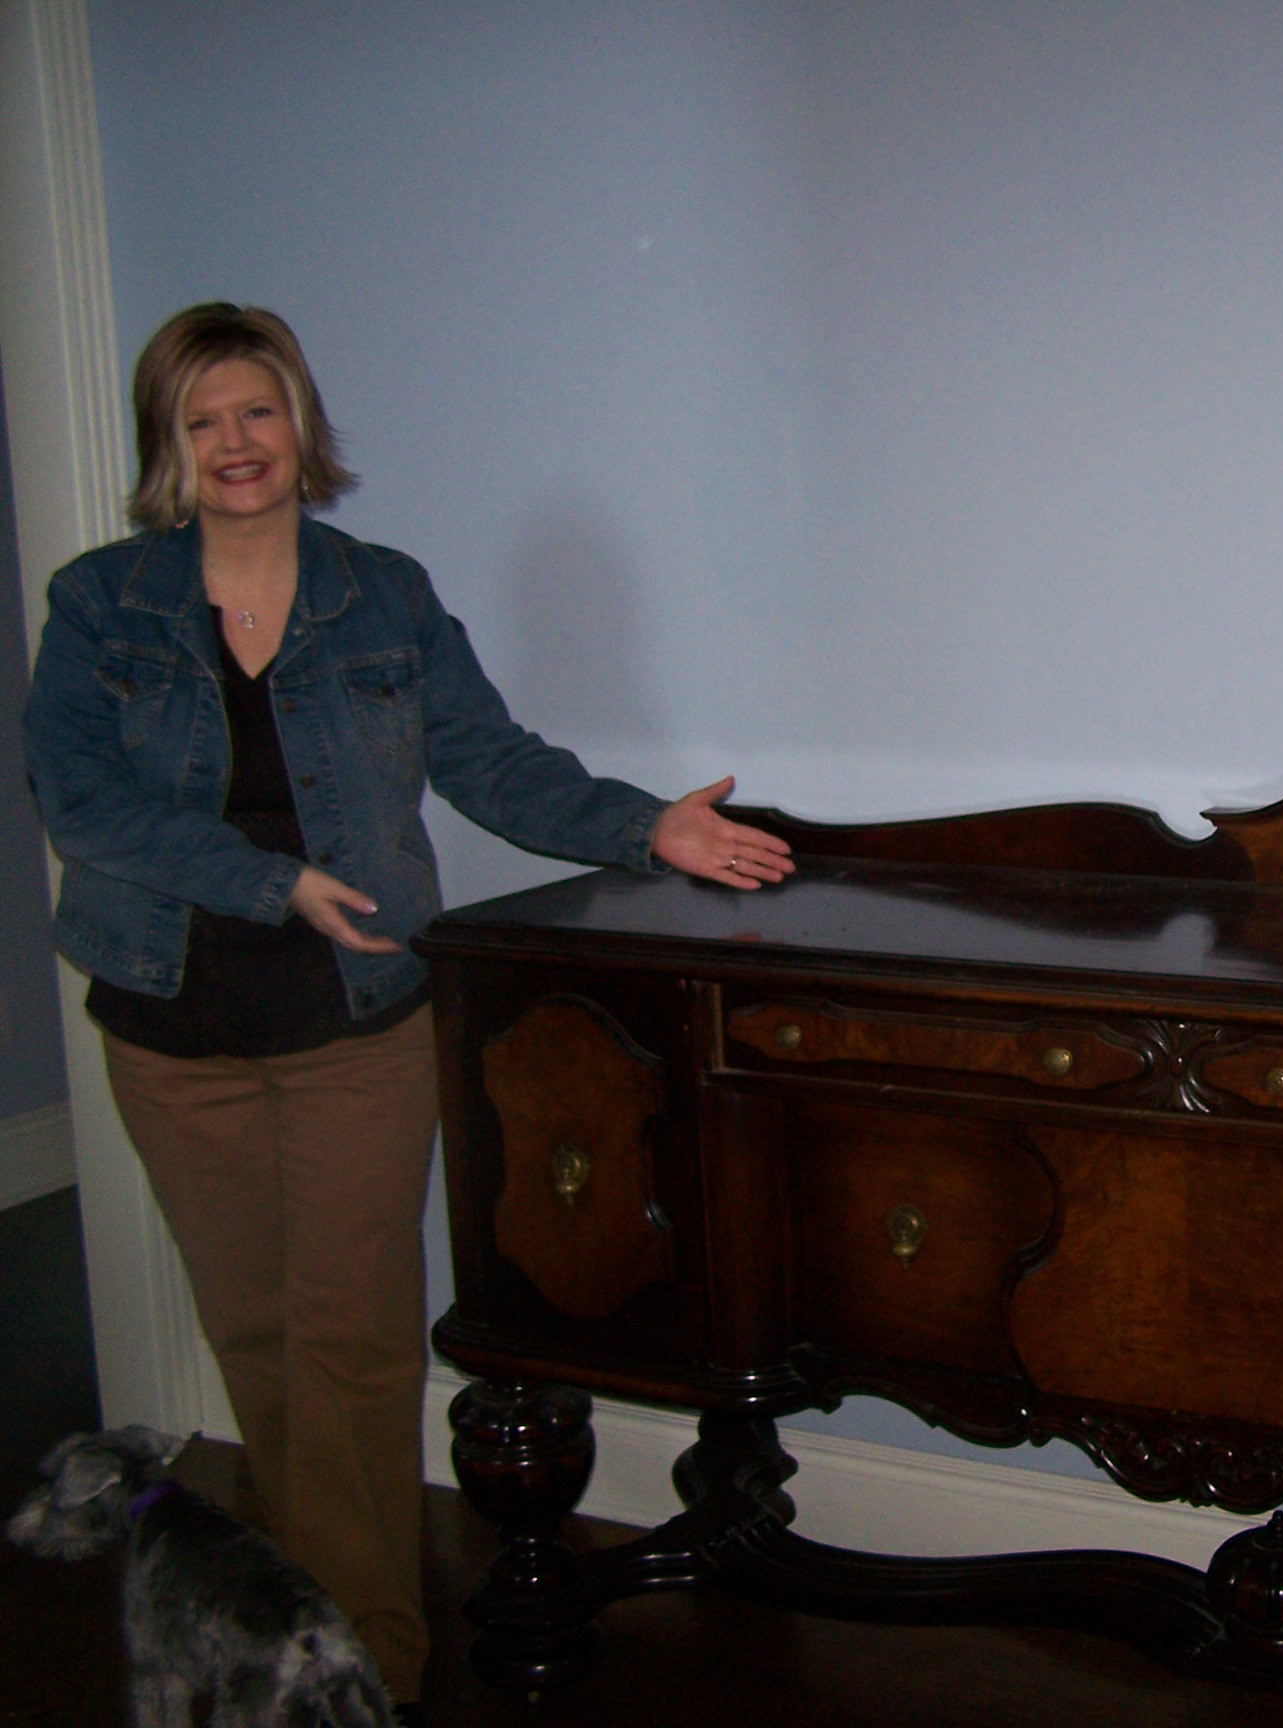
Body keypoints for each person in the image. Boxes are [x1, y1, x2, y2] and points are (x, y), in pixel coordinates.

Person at [21, 303, 794, 1720]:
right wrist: (268, 883)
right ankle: (296, 1630)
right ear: (167, 446)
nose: (236, 443)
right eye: (202, 420)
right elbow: (81, 802)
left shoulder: (381, 596)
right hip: (170, 1030)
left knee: (355, 1341)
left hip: (355, 1019)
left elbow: (492, 761)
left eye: (258, 410)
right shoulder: (100, 604)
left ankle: (368, 1664)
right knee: (256, 1340)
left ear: (299, 422)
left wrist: (645, 827)